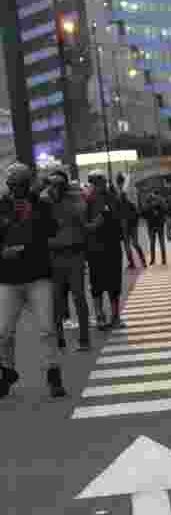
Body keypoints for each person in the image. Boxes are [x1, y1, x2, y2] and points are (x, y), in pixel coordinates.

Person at [0, 163, 66, 399]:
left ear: (27, 185)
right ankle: (7, 371)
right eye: (12, 185)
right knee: (3, 331)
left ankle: (53, 374)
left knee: (47, 328)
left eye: (20, 185)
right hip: (8, 275)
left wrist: (33, 213)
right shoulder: (2, 206)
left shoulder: (40, 204)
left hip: (38, 275)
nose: (16, 190)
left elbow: (52, 230)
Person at [42, 170, 93, 351]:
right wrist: (49, 192)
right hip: (54, 255)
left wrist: (68, 195)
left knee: (78, 296)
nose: (55, 188)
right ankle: (59, 339)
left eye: (58, 184)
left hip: (74, 254)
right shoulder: (45, 200)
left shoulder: (74, 198)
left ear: (64, 185)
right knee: (55, 299)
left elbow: (81, 214)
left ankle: (84, 340)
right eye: (52, 184)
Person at [84, 171, 125, 331]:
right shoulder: (87, 199)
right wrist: (95, 223)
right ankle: (100, 316)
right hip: (95, 248)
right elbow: (84, 224)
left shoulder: (111, 197)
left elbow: (119, 215)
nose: (99, 185)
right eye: (96, 182)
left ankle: (115, 316)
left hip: (112, 245)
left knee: (114, 283)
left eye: (101, 182)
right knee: (97, 284)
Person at [115, 174, 146, 270]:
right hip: (133, 219)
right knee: (135, 243)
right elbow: (136, 205)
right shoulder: (132, 189)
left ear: (118, 182)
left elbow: (117, 207)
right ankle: (143, 261)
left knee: (127, 244)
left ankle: (132, 263)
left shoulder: (119, 192)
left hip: (124, 221)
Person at [142, 192, 167, 265]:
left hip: (152, 226)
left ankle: (153, 260)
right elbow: (165, 211)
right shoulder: (160, 203)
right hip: (158, 225)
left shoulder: (148, 206)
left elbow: (143, 214)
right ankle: (163, 259)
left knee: (153, 243)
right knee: (161, 243)